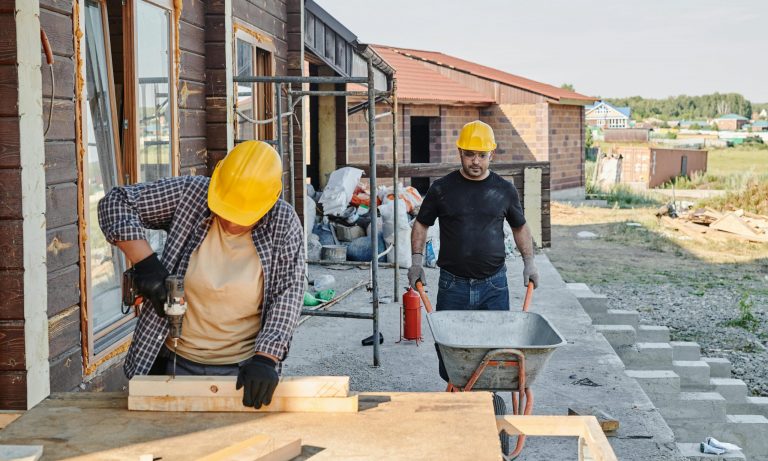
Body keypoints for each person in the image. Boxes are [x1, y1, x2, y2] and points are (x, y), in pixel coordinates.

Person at [98, 140, 305, 410]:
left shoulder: (284, 223)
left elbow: (288, 294)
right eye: (226, 209)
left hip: (243, 369)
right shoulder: (191, 194)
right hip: (172, 359)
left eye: (242, 216)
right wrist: (147, 264)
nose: (231, 221)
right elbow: (116, 202)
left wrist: (266, 359)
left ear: (269, 202)